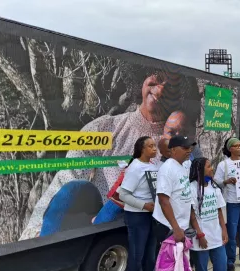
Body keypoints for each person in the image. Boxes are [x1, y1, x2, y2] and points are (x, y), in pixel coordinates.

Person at [20, 73, 200, 240]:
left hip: (146, 234)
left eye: (169, 88)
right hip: (98, 231)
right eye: (158, 78)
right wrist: (33, 237)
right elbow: (65, 182)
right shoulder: (104, 128)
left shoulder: (184, 147)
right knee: (74, 190)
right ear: (142, 77)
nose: (160, 90)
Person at [116, 136, 158, 271]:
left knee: (150, 255)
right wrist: (144, 205)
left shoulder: (153, 166)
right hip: (137, 216)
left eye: (155, 146)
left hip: (151, 216)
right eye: (150, 146)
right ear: (142, 149)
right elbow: (122, 194)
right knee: (136, 256)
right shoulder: (135, 168)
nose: (154, 149)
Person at [214, 137, 240, 271]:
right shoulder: (223, 165)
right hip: (232, 201)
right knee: (231, 232)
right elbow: (216, 181)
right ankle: (230, 260)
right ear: (230, 148)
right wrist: (226, 181)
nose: (239, 147)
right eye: (236, 146)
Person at [152, 135, 196, 255]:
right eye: (185, 148)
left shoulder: (181, 166)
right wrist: (175, 228)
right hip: (168, 226)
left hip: (180, 225)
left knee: (177, 266)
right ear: (173, 150)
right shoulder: (167, 169)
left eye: (190, 147)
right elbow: (163, 200)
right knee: (167, 266)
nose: (189, 150)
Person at [188, 157, 228, 271]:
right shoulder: (191, 188)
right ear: (200, 170)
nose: (212, 169)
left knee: (222, 268)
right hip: (200, 238)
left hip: (216, 235)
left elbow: (219, 210)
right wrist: (200, 235)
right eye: (209, 166)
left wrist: (224, 229)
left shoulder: (214, 187)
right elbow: (192, 215)